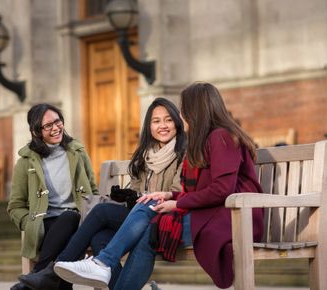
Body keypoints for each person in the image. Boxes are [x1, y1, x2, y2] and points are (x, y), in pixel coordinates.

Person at [54, 82, 264, 290]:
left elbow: (222, 190)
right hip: (212, 214)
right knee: (148, 217)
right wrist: (169, 195)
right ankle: (103, 263)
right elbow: (205, 190)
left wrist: (176, 202)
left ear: (196, 110)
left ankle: (102, 263)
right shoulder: (209, 139)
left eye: (184, 109)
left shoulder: (222, 137)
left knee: (150, 228)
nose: (182, 115)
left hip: (232, 220)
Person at [17, 97, 186, 290]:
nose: (162, 126)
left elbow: (177, 192)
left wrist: (150, 196)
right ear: (149, 125)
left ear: (177, 122)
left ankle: (50, 274)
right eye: (156, 121)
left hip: (165, 214)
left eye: (168, 120)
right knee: (100, 238)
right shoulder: (146, 154)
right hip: (139, 215)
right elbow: (138, 191)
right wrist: (129, 195)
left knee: (101, 212)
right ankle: (52, 275)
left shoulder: (184, 152)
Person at [7, 103, 99, 290]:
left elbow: (93, 191)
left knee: (71, 217)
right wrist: (29, 223)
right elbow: (15, 206)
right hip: (45, 222)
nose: (56, 128)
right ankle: (42, 278)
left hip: (79, 219)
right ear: (36, 131)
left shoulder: (77, 152)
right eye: (48, 126)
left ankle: (37, 277)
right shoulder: (26, 162)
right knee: (68, 232)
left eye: (58, 121)